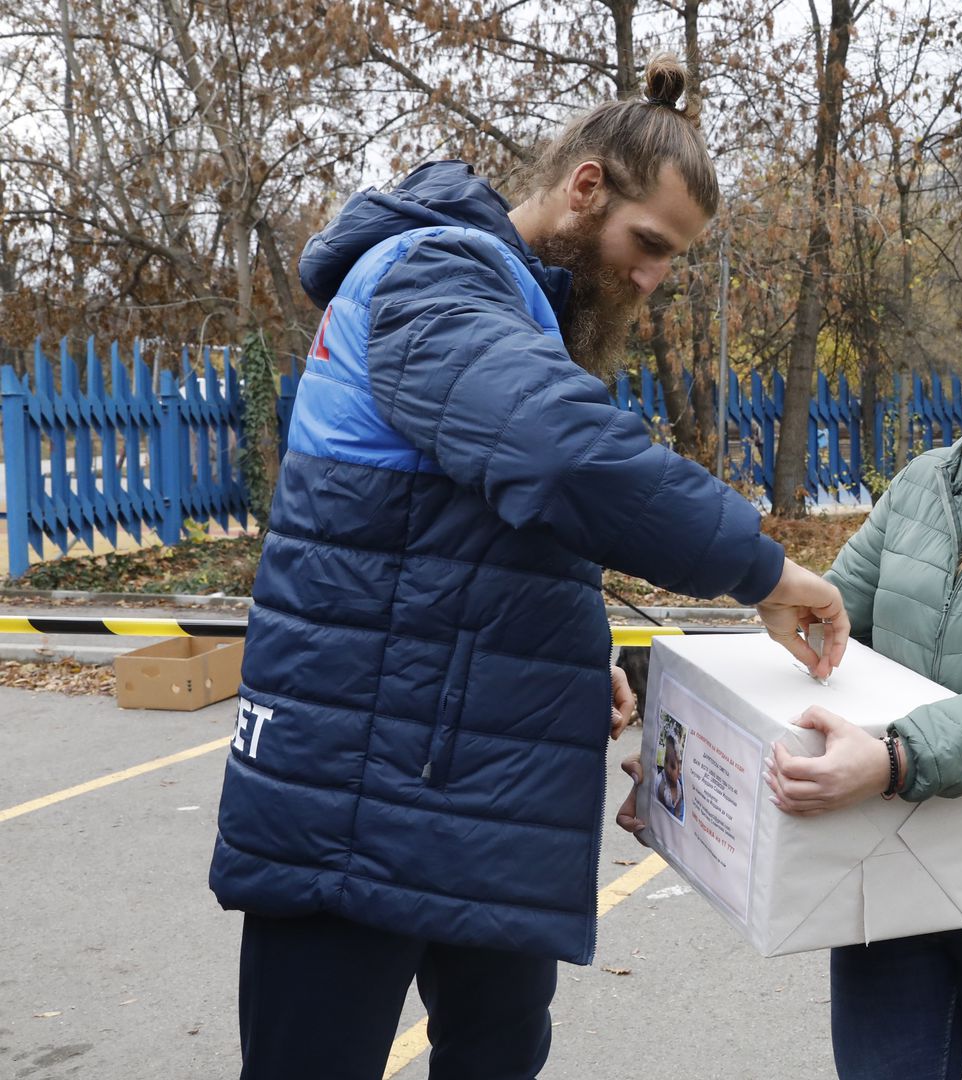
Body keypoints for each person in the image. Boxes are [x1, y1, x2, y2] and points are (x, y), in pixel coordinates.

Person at [209, 55, 849, 1080]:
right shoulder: (433, 277)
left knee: (497, 1052)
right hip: (365, 800)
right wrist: (765, 572)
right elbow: (559, 456)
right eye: (647, 245)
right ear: (584, 186)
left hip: (457, 785)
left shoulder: (512, 312)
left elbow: (455, 533)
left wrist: (557, 651)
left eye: (669, 260)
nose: (650, 279)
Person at [623, 242, 962, 1078]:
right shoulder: (929, 483)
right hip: (890, 874)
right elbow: (816, 648)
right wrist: (693, 757)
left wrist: (894, 761)